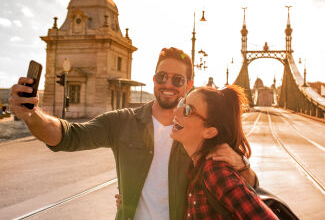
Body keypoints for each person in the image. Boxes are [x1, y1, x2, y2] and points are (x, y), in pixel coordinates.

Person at [9, 47, 257, 220]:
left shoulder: (199, 133)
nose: (168, 84)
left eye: (177, 79)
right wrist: (32, 114)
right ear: (153, 79)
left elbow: (246, 191)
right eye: (162, 76)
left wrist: (242, 164)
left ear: (189, 84)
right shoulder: (123, 121)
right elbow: (68, 135)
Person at [171, 85, 278, 219]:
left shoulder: (214, 171)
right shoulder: (196, 166)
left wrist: (243, 166)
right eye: (182, 103)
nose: (176, 111)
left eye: (187, 110)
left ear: (209, 131)